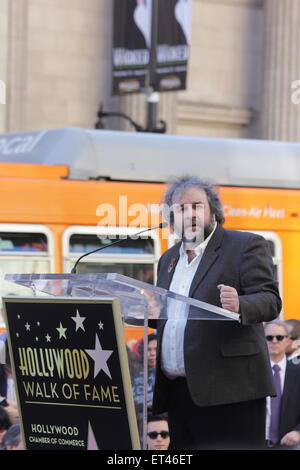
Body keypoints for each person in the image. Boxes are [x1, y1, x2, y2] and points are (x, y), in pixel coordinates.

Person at [151, 177, 282, 450]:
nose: (191, 214)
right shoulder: (168, 259)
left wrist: (241, 304)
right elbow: (172, 317)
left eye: (197, 206)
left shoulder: (244, 245)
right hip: (179, 394)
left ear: (213, 211)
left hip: (230, 394)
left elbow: (270, 300)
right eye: (182, 209)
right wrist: (149, 313)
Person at [264, 320, 300, 449]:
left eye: (279, 337)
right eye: (269, 337)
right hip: (256, 442)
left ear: (287, 340)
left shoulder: (298, 373)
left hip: (289, 444)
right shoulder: (252, 373)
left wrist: (298, 431)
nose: (274, 341)